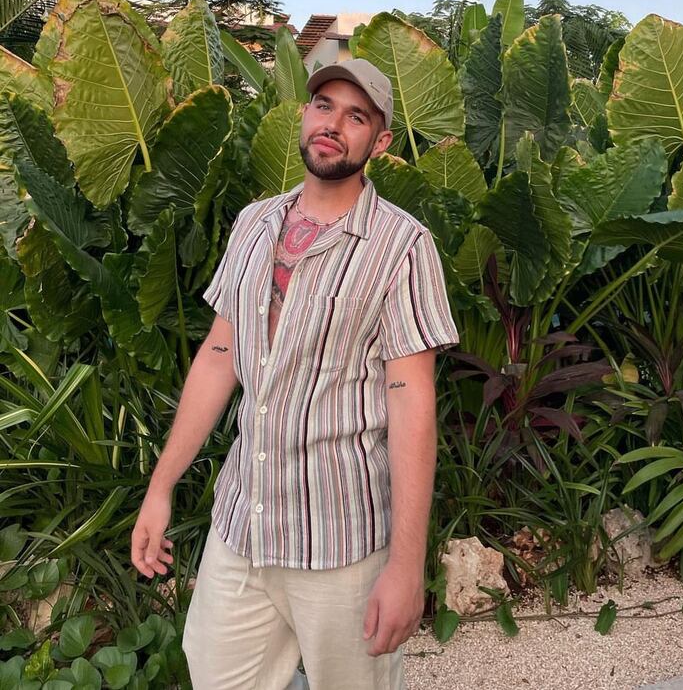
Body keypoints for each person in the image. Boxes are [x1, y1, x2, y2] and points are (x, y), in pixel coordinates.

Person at [131, 58, 459, 690]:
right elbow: (219, 357)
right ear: (304, 116)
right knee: (214, 673)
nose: (334, 124)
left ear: (380, 141)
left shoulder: (403, 247)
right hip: (243, 527)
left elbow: (411, 401)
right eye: (323, 106)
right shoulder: (254, 223)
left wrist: (406, 563)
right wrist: (161, 486)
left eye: (356, 115)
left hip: (342, 544)